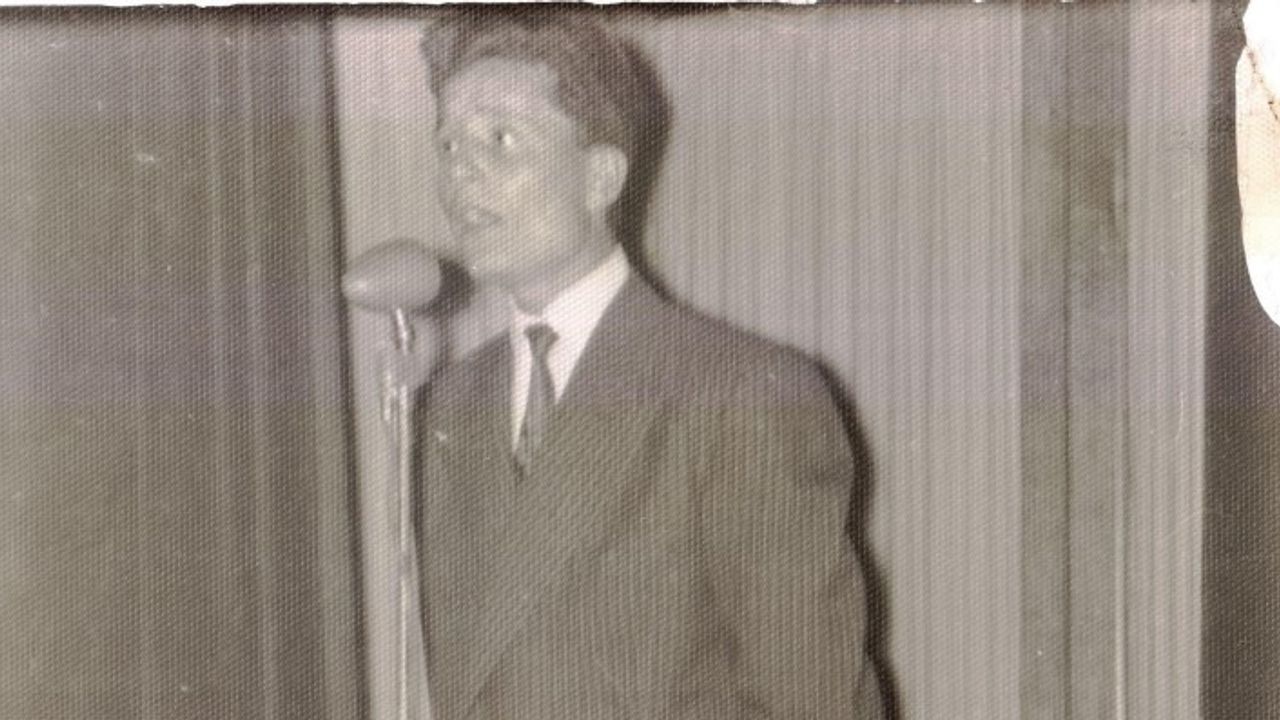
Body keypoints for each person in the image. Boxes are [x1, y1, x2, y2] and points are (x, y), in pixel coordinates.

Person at [415, 12, 884, 719]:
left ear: (601, 176)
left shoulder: (740, 393)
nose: (460, 171)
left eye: (500, 139)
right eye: (447, 143)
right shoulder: (449, 405)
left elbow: (815, 703)